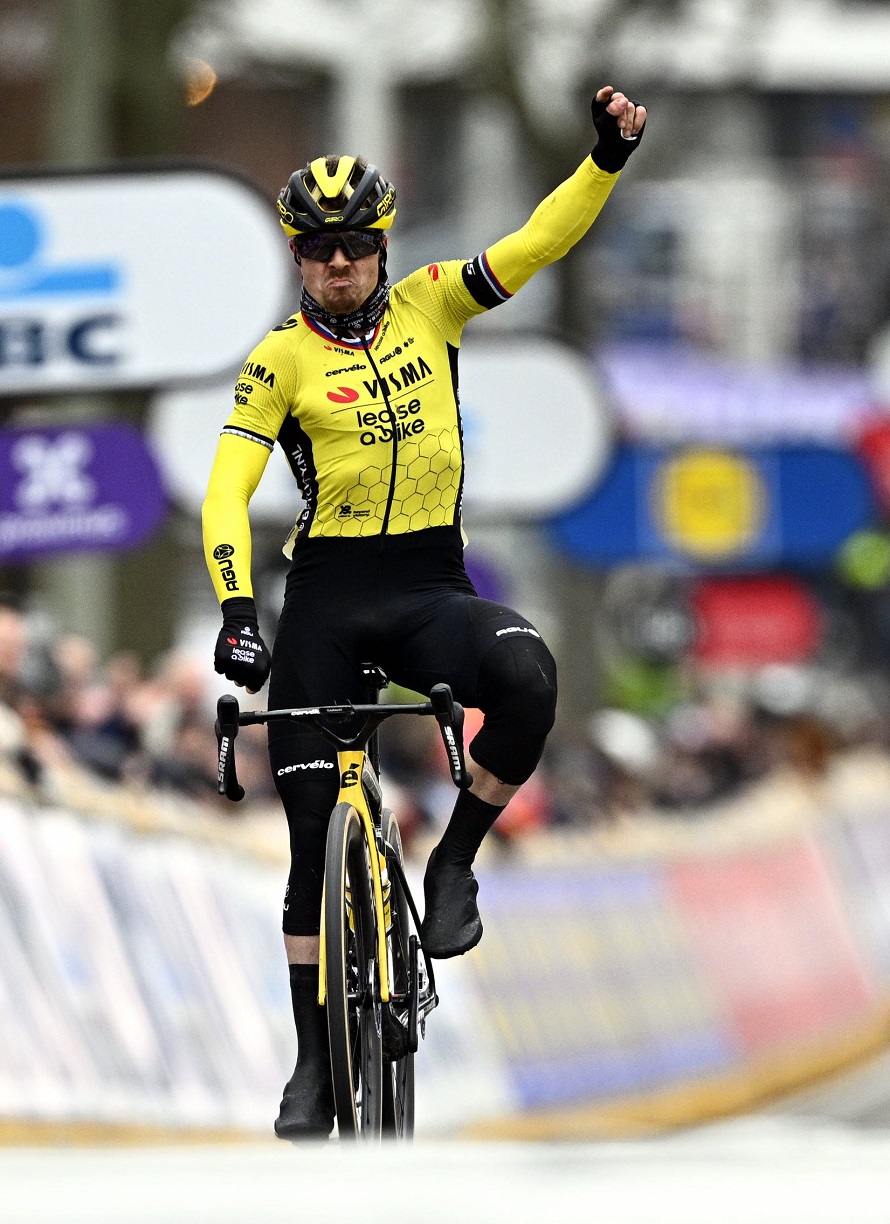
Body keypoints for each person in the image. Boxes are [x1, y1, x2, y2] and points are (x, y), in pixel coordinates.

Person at [202, 86, 647, 1141]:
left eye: (354, 246)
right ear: (297, 260)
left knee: (531, 678)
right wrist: (235, 607)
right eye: (316, 252)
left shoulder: (433, 306)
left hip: (430, 587)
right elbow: (227, 490)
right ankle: (314, 1066)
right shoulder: (278, 360)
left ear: (383, 247)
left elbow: (535, 243)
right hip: (326, 599)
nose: (337, 265)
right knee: (311, 845)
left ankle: (452, 861)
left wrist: (604, 159)